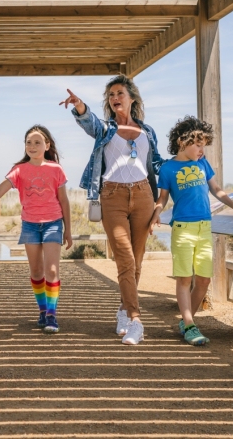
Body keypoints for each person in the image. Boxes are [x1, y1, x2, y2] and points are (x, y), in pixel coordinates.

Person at [60, 75, 163, 345]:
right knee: (125, 257)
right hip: (112, 196)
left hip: (143, 195)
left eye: (119, 93)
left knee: (136, 261)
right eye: (110, 95)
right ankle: (136, 320)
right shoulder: (105, 129)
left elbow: (159, 166)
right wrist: (80, 105)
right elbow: (89, 122)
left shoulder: (148, 132)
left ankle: (122, 310)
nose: (115, 98)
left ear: (132, 98)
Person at [150, 116, 233, 346]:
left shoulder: (203, 164)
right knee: (185, 278)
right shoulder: (167, 169)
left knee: (204, 281)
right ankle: (189, 325)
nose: (201, 149)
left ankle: (187, 321)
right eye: (198, 144)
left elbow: (217, 190)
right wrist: (156, 213)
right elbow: (163, 198)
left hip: (205, 228)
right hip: (183, 229)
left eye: (204, 144)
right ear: (182, 141)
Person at [0, 125, 73, 334]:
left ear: (47, 145)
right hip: (30, 224)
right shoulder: (19, 170)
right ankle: (42, 311)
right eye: (29, 142)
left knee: (51, 270)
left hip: (53, 223)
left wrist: (68, 230)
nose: (32, 146)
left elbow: (64, 201)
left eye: (37, 142)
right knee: (36, 271)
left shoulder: (56, 169)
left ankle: (51, 315)